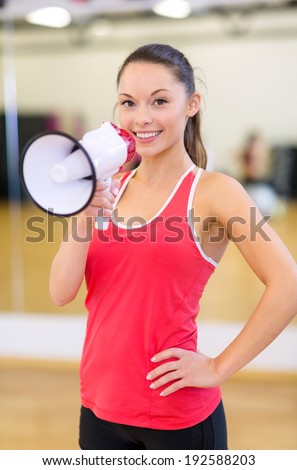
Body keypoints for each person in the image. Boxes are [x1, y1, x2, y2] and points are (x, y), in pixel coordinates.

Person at [49, 43, 297, 450]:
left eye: (159, 101)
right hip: (98, 408)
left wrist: (218, 367)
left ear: (191, 104)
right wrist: (83, 214)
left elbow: (288, 284)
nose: (141, 117)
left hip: (176, 417)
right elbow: (61, 292)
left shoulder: (217, 193)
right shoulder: (110, 188)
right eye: (128, 103)